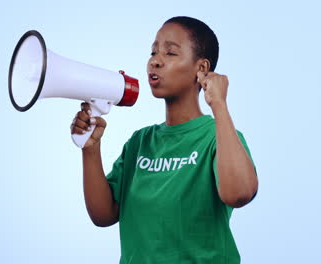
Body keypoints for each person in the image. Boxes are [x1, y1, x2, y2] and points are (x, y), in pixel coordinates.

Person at [70, 16, 259, 264]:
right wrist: (90, 149)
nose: (155, 61)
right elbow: (103, 215)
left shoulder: (217, 136)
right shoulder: (140, 142)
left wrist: (219, 106)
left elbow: (239, 194)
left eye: (170, 53)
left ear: (201, 69)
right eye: (153, 51)